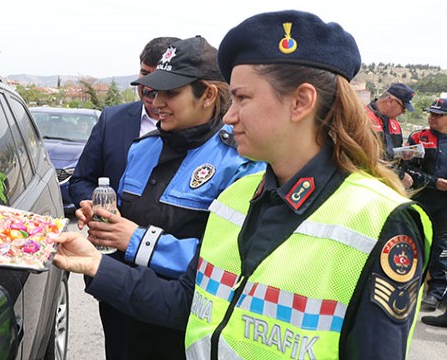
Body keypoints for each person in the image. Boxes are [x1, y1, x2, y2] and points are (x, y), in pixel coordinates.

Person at [52, 10, 432, 360]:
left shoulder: (380, 219)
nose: (229, 116)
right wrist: (96, 264)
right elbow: (187, 302)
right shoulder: (237, 199)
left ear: (301, 102)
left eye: (242, 98)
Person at [76, 36, 264, 359]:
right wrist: (102, 222)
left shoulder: (240, 161)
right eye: (154, 90)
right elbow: (123, 220)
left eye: (171, 93)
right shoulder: (142, 149)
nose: (156, 101)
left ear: (207, 95)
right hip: (126, 311)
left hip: (186, 328)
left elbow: (225, 262)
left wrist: (134, 239)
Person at [67, 36, 179, 360]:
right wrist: (93, 204)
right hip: (113, 268)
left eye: (160, 83)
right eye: (144, 77)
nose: (149, 90)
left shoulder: (200, 139)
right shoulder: (112, 120)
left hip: (169, 280)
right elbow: (81, 179)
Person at [402, 98, 447, 315]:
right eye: (431, 113)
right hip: (422, 199)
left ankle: (436, 293)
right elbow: (406, 170)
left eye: (438, 114)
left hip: (445, 206)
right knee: (414, 242)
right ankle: (406, 287)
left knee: (441, 247)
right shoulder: (418, 137)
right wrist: (433, 182)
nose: (432, 117)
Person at [366, 82, 416, 186]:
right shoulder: (363, 118)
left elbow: (390, 156)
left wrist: (403, 156)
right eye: (403, 108)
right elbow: (366, 159)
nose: (403, 113)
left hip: (387, 184)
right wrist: (399, 175)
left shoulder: (395, 125)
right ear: (390, 101)